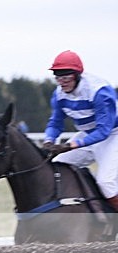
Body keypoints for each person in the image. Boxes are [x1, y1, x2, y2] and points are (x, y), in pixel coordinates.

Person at [42, 50, 118, 210]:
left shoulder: (100, 92)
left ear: (77, 75)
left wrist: (71, 145)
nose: (62, 82)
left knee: (106, 182)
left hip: (113, 135)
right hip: (88, 134)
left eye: (66, 77)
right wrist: (49, 140)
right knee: (56, 166)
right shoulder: (58, 94)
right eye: (58, 77)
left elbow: (104, 131)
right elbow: (55, 123)